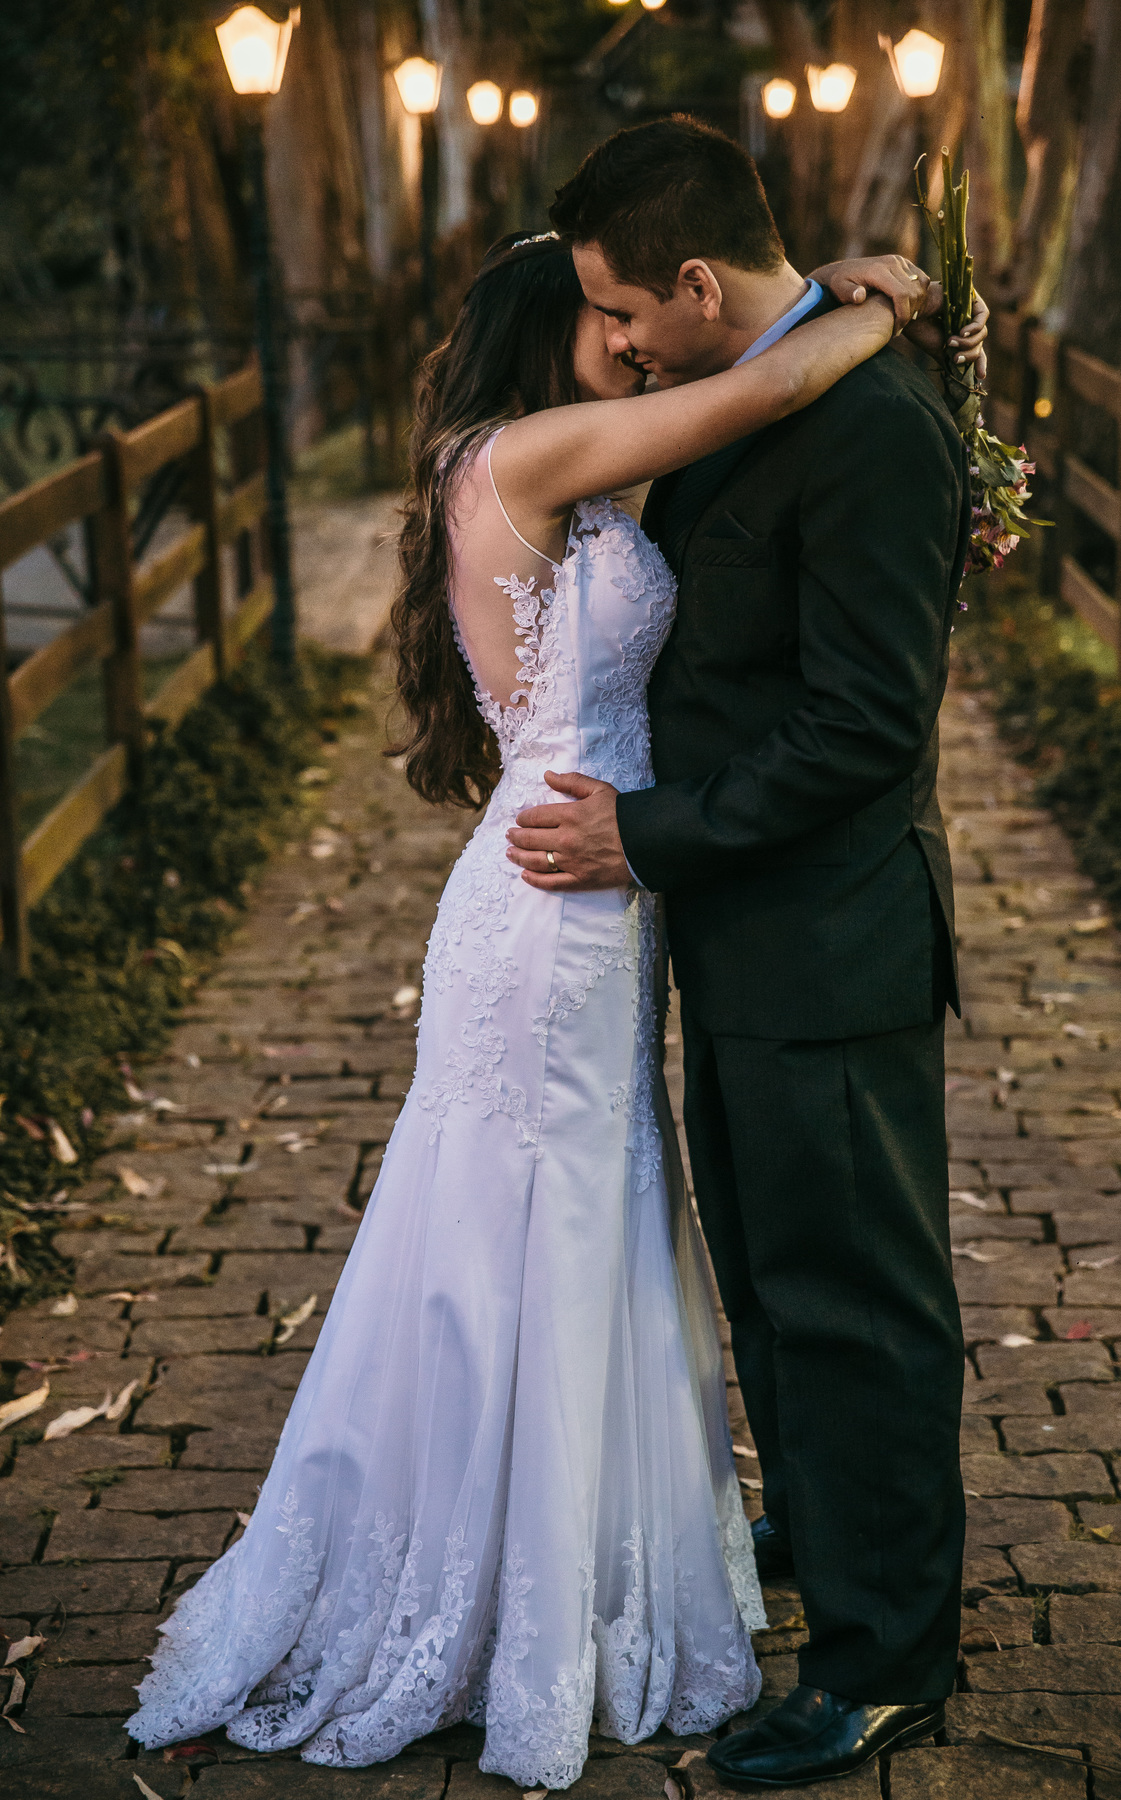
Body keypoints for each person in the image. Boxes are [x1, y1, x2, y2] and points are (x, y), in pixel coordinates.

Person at [125, 198, 977, 1785]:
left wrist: (845, 325)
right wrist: (877, 301)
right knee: (545, 1225)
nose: (635, 341)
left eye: (636, 311)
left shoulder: (578, 468)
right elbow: (760, 387)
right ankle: (508, 1560)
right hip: (560, 898)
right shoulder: (523, 457)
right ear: (554, 330)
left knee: (618, 1227)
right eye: (608, 317)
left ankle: (619, 1543)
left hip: (619, 896)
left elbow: (774, 485)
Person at [502, 115, 979, 1789]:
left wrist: (645, 834)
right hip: (744, 937)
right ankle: (839, 1537)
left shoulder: (876, 430)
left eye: (625, 310)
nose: (619, 343)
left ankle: (886, 1658)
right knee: (778, 1292)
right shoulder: (760, 384)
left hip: (832, 943)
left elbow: (863, 726)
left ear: (697, 283)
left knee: (857, 1305)